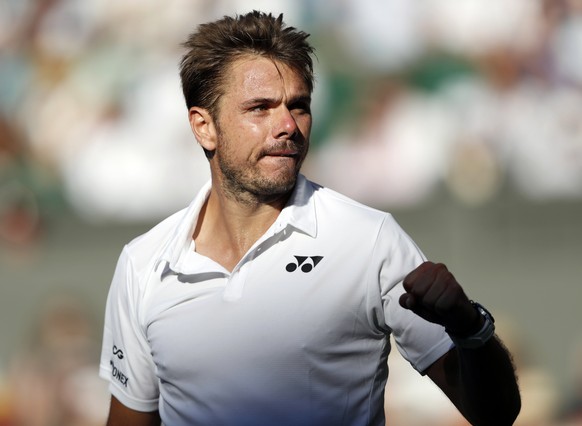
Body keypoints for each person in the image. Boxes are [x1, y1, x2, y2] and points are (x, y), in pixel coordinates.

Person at [99, 11, 521, 426]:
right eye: (260, 108)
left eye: (298, 106)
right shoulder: (142, 265)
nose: (287, 125)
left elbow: (496, 413)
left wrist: (470, 326)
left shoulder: (370, 239)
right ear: (204, 126)